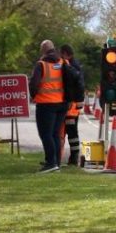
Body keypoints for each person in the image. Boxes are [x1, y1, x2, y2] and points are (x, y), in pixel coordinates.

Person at [29, 39, 67, 173]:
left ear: (43, 50)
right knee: (55, 134)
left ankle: (51, 163)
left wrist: (33, 96)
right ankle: (56, 162)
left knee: (46, 134)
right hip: (62, 104)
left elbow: (34, 84)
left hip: (46, 104)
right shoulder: (63, 62)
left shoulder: (41, 64)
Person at [59, 44, 83, 166]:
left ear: (65, 53)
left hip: (70, 108)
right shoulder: (75, 65)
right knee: (70, 133)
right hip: (72, 107)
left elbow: (76, 85)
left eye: (61, 54)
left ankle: (74, 158)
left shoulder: (70, 66)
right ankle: (70, 158)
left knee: (71, 133)